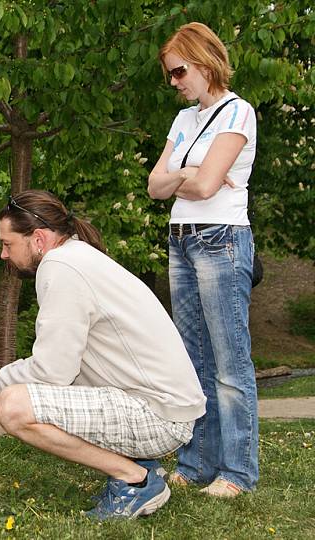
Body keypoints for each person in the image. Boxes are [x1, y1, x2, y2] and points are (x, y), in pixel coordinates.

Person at [0, 190, 206, 520]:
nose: (2, 253)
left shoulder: (60, 267)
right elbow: (65, 365)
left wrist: (1, 379)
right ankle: (139, 466)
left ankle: (136, 480)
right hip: (163, 406)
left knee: (14, 406)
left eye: (8, 244)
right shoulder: (76, 256)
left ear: (38, 239)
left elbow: (53, 370)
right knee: (29, 393)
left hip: (160, 416)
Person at [148, 22, 258, 497]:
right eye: (170, 75)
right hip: (181, 239)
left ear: (204, 61)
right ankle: (196, 464)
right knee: (193, 361)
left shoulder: (239, 113)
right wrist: (189, 170)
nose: (174, 82)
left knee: (230, 365)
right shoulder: (184, 120)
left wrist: (186, 175)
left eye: (178, 71)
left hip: (221, 239)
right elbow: (155, 186)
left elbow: (208, 187)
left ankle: (237, 472)